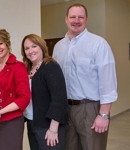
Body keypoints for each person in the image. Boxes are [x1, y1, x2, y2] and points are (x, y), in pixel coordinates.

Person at [53, 3, 118, 150]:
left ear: (86, 19)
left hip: (90, 108)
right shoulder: (58, 47)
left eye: (80, 17)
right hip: (65, 109)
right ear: (66, 19)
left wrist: (104, 114)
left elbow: (108, 82)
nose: (76, 20)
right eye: (73, 17)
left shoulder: (98, 44)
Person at [0, 29, 31, 150]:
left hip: (12, 121)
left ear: (7, 44)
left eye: (0, 43)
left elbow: (24, 98)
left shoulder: (18, 67)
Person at [21, 34, 68, 150]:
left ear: (41, 47)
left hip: (48, 126)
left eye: (34, 46)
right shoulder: (27, 70)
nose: (30, 51)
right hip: (32, 123)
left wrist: (53, 129)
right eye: (26, 48)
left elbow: (59, 99)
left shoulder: (50, 66)